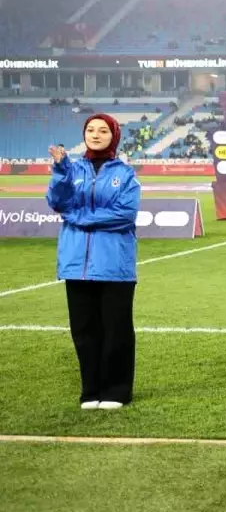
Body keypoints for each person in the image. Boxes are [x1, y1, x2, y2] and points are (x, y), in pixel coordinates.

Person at [45, 114, 141, 410]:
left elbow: (124, 214)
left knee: (116, 329)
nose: (95, 135)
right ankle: (91, 390)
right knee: (84, 331)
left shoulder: (125, 174)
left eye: (103, 130)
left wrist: (80, 218)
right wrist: (60, 171)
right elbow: (57, 202)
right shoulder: (71, 169)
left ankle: (116, 391)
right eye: (90, 130)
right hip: (76, 263)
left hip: (114, 265)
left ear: (114, 136)